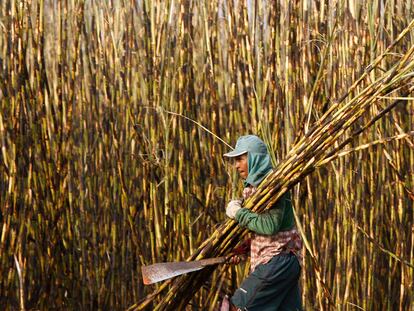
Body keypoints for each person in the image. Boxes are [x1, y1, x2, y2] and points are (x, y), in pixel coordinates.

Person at [222, 135, 303, 311]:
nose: (236, 165)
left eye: (240, 159)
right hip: (284, 262)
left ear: (254, 158)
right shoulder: (256, 189)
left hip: (278, 261)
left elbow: (269, 226)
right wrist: (243, 250)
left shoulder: (272, 186)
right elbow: (270, 233)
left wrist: (239, 213)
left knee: (235, 308)